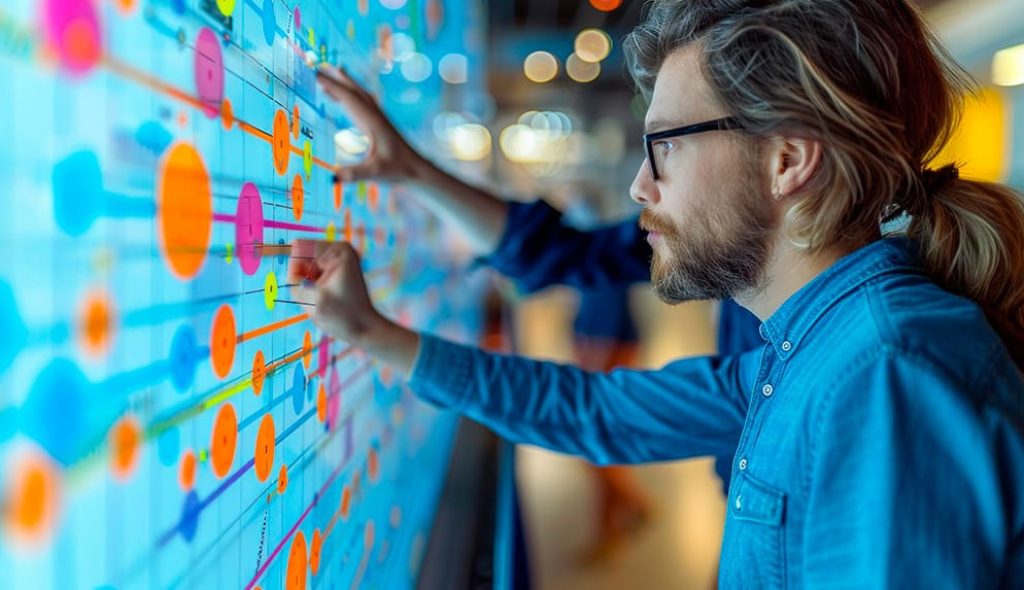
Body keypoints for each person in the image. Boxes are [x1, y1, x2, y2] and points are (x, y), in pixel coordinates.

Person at [296, 0, 1024, 586]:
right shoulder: (804, 350)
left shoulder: (883, 377)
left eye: (664, 146)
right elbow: (596, 410)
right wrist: (371, 334)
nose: (640, 186)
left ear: (789, 160)